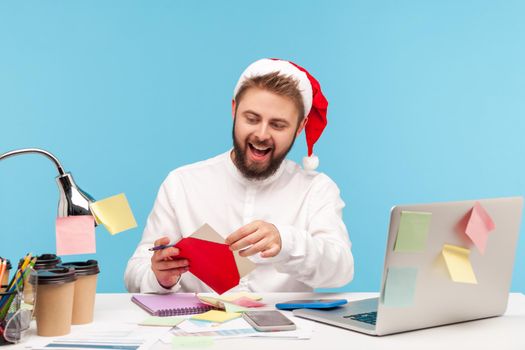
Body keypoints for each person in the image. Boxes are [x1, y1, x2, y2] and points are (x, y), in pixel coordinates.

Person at [124, 58, 354, 293]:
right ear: (234, 109)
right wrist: (160, 278)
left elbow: (342, 270)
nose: (262, 134)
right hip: (198, 327)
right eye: (251, 119)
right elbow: (135, 274)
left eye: (278, 125)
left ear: (300, 126)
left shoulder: (316, 189)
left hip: (288, 327)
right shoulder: (181, 184)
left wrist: (285, 241)